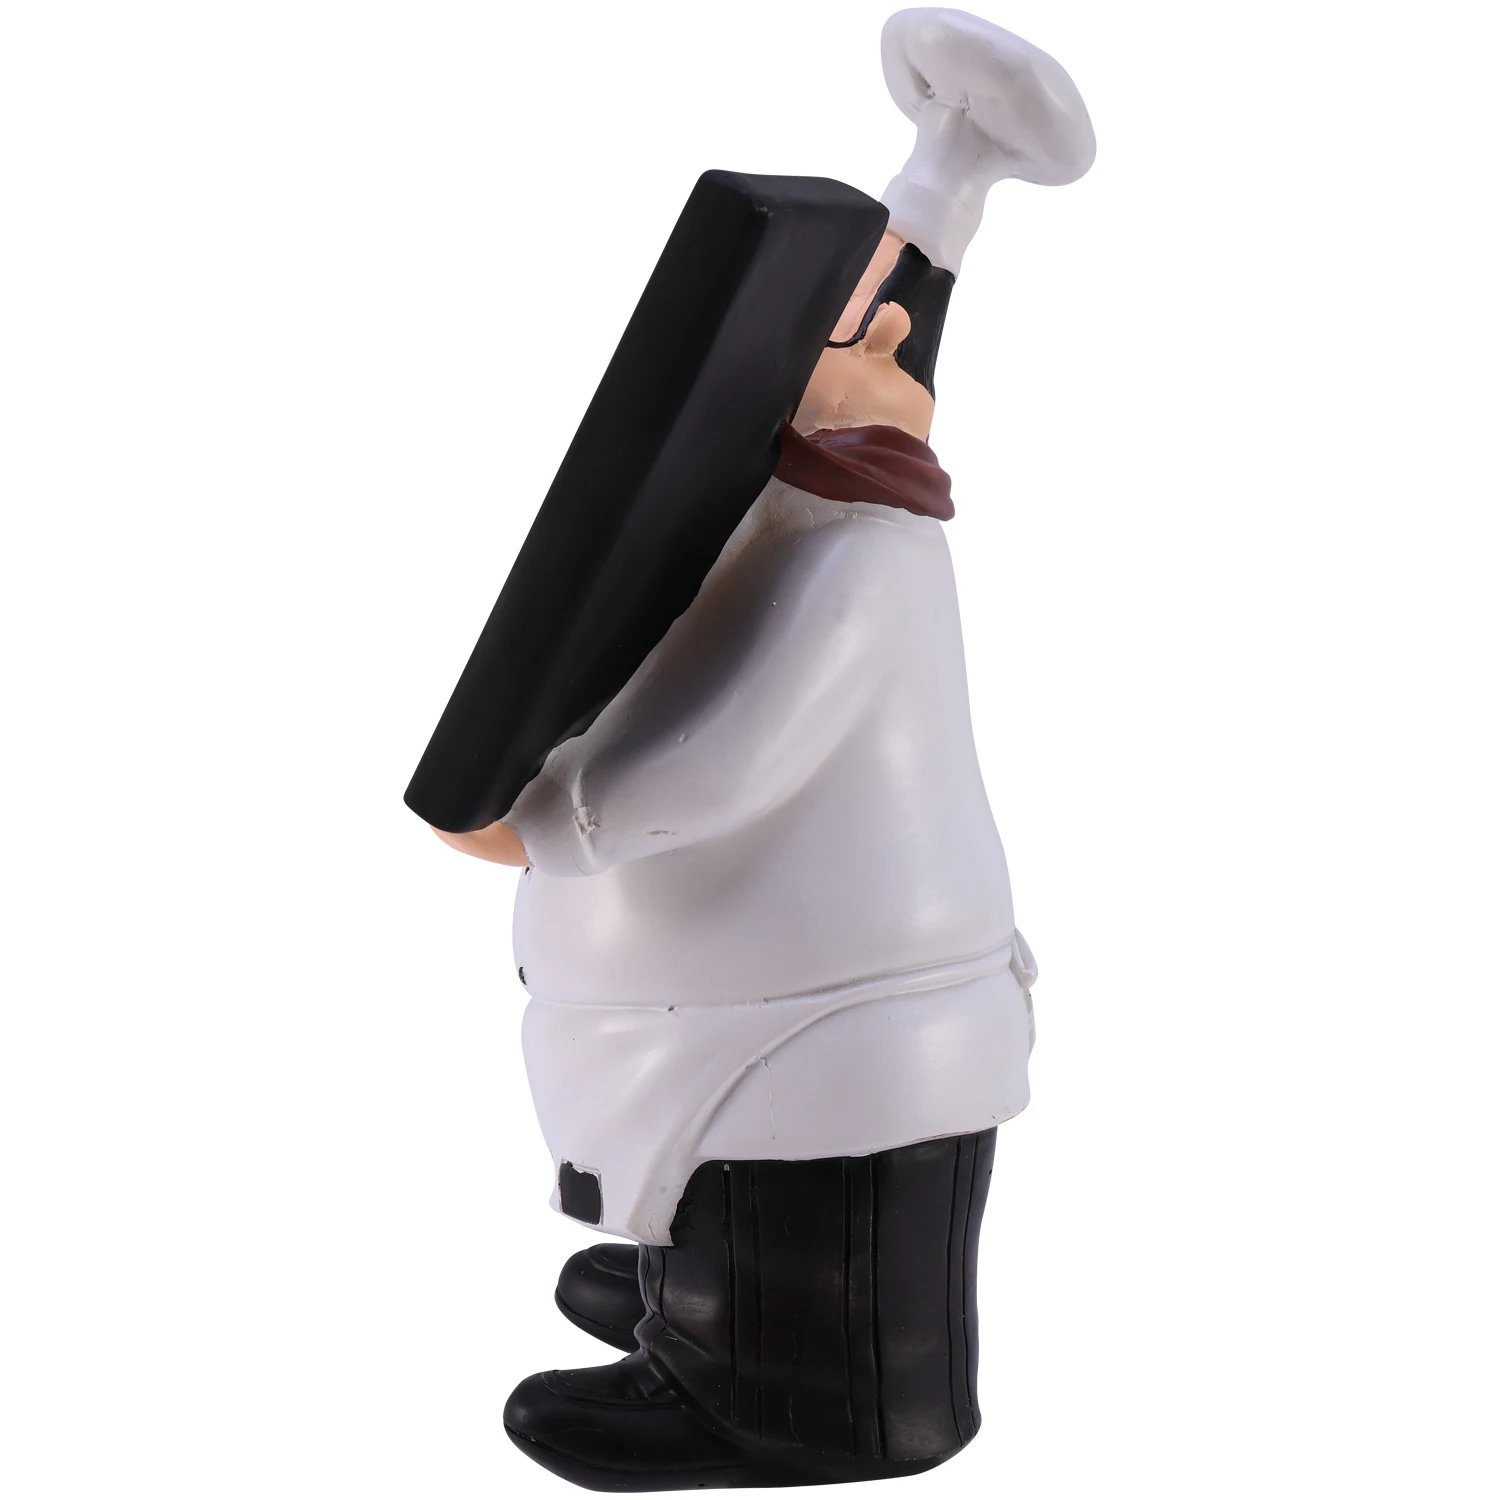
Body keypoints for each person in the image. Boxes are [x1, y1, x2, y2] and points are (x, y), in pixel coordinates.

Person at [425, 10, 1094, 1488]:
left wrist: (545, 829)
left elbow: (724, 765)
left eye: (875, 327)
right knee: (735, 1176)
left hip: (831, 1017)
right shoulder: (778, 523)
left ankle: (777, 1396)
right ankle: (698, 1291)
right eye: (856, 323)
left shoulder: (857, 561)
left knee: (808, 1204)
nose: (893, 333)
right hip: (765, 1009)